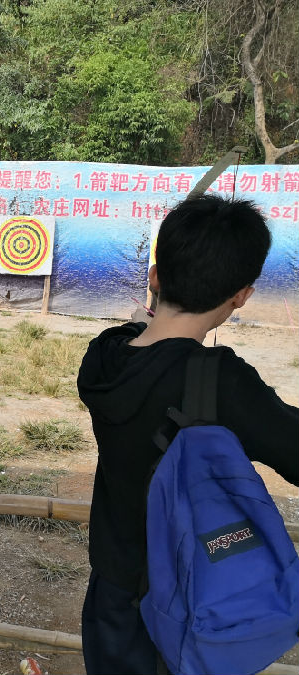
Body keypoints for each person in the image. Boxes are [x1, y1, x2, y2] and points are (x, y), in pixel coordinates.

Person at [77, 194, 299, 675]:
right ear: (242, 295)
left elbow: (142, 337)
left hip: (111, 594)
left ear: (155, 277)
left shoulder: (103, 359)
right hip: (185, 600)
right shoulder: (219, 381)